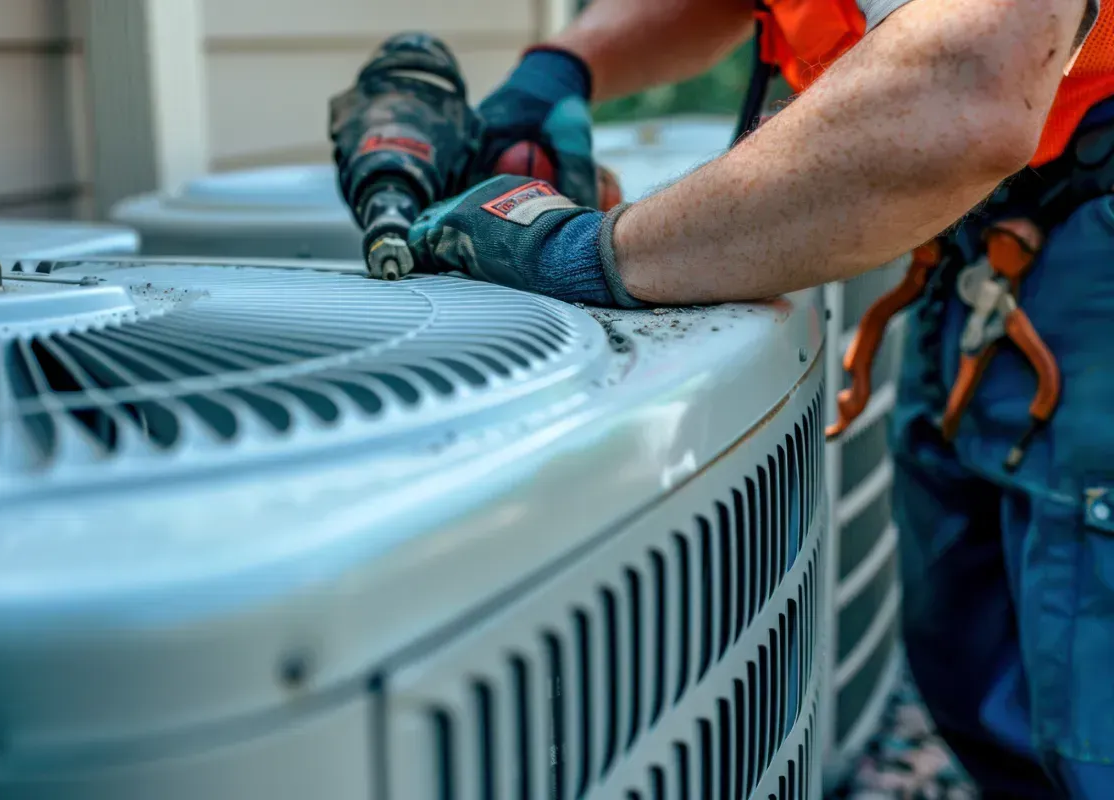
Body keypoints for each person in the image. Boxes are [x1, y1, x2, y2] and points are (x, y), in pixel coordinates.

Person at [407, 1, 1114, 797]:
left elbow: (969, 81)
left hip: (1079, 237)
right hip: (994, 241)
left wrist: (590, 252)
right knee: (986, 675)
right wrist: (563, 67)